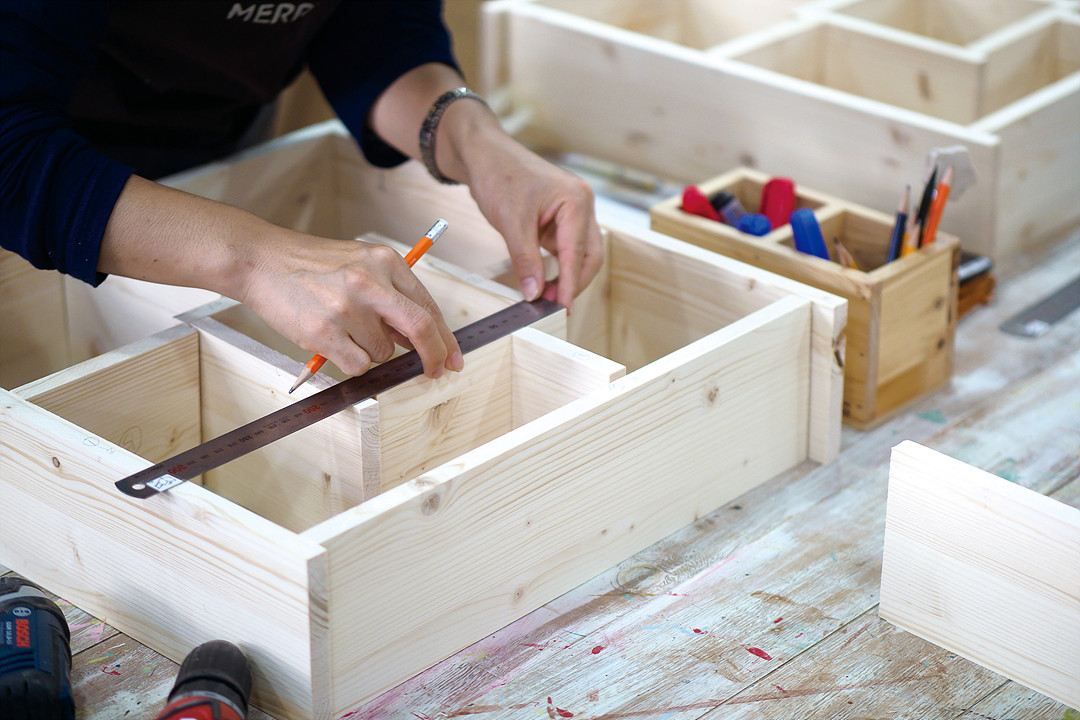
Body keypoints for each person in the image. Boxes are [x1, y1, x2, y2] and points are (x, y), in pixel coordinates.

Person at [0, 1, 604, 381]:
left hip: (221, 140)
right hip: (42, 187)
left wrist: (474, 140)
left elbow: (375, 26)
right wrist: (255, 257)